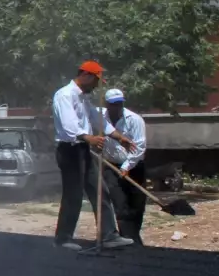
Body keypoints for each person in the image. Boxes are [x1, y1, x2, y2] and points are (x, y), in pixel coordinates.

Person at [52, 61, 138, 251]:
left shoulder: (84, 98)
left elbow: (96, 119)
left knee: (99, 190)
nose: (96, 86)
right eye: (96, 81)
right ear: (86, 76)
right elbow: (69, 125)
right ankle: (63, 238)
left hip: (83, 149)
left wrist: (119, 137)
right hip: (70, 150)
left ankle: (108, 236)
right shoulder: (65, 95)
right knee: (73, 195)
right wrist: (88, 137)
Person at [100, 88, 148, 245]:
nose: (116, 107)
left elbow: (139, 147)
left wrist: (126, 166)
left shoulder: (134, 119)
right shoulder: (100, 118)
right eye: (113, 104)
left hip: (134, 167)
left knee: (137, 205)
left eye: (119, 104)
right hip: (111, 167)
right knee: (120, 205)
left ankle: (134, 237)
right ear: (107, 104)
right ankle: (128, 238)